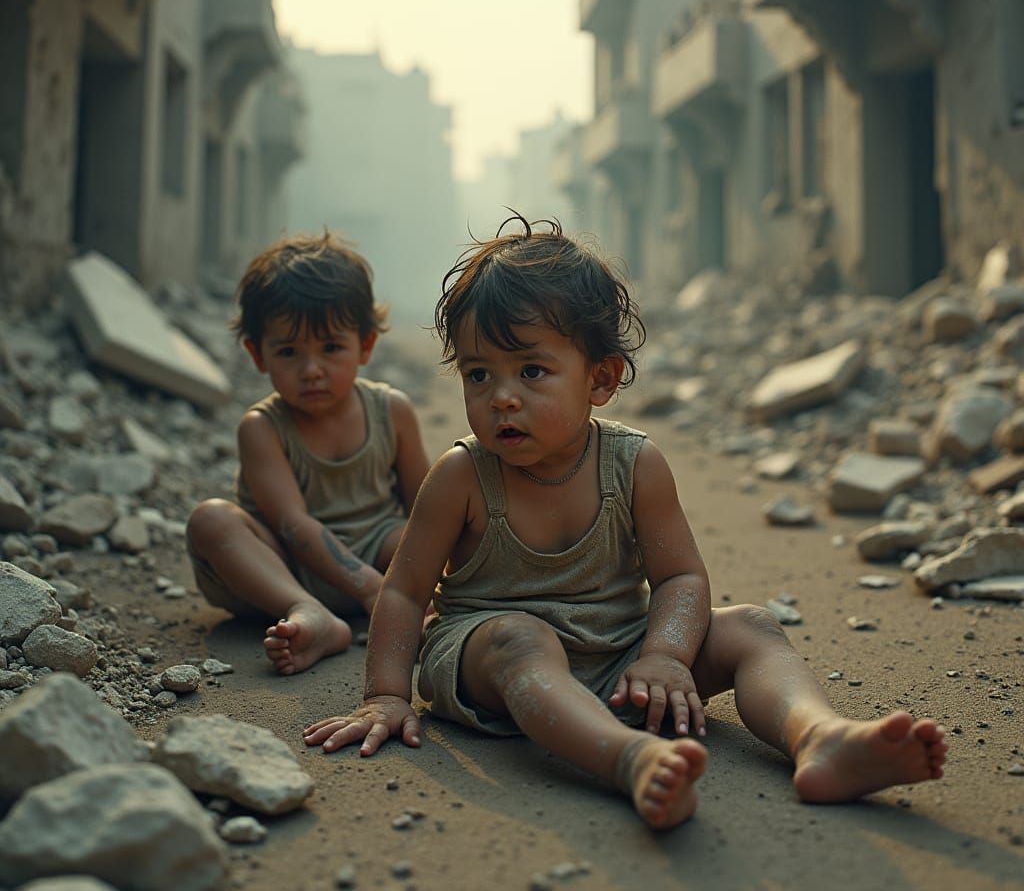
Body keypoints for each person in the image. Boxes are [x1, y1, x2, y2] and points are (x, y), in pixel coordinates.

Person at [302, 216, 948, 829]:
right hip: (489, 657)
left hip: (623, 657)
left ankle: (819, 737)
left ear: (602, 379)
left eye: (531, 370)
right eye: (479, 373)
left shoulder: (634, 463)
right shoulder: (463, 476)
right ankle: (627, 759)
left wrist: (665, 655)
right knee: (520, 637)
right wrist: (386, 694)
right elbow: (408, 589)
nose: (501, 395)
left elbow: (683, 579)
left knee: (750, 626)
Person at [186, 232, 430, 676]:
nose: (312, 369)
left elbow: (426, 507)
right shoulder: (262, 428)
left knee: (414, 537)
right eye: (288, 352)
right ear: (257, 355)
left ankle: (421, 609)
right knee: (211, 519)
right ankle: (310, 614)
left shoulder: (391, 411)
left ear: (366, 346)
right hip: (282, 572)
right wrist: (371, 590)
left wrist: (436, 576)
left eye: (331, 348)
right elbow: (292, 524)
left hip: (377, 553)